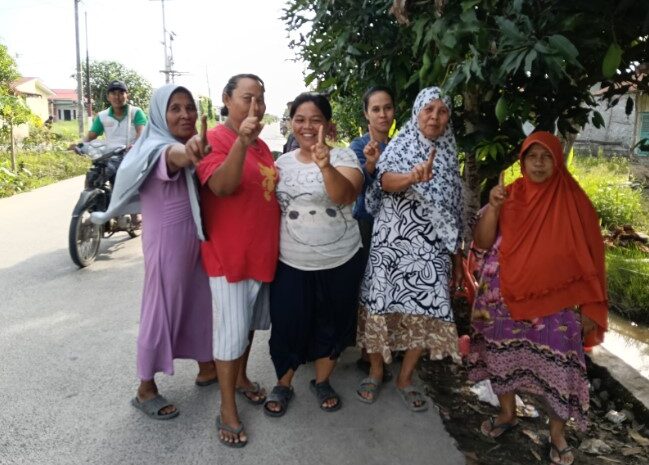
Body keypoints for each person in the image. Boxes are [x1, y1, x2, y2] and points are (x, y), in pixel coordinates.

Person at [467, 131, 608, 465]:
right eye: (533, 156)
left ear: (557, 161)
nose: (540, 164)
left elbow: (594, 257)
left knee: (558, 369)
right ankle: (507, 414)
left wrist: (590, 306)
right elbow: (483, 242)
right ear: (523, 161)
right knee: (502, 357)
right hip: (503, 301)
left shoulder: (575, 201)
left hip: (555, 308)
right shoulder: (508, 196)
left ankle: (557, 433)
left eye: (547, 157)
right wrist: (493, 209)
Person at [91, 84, 216, 419]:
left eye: (190, 107)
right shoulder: (157, 149)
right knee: (160, 309)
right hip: (167, 246)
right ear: (161, 113)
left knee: (197, 303)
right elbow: (172, 160)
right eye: (175, 108)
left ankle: (207, 366)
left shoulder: (171, 144)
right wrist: (189, 152)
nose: (185, 115)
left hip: (194, 240)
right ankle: (145, 388)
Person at [356, 86, 464, 411]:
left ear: (448, 119)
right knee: (378, 305)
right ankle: (376, 371)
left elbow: (453, 213)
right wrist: (412, 177)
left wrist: (457, 260)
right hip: (391, 246)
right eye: (428, 109)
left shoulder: (448, 156)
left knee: (425, 310)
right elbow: (383, 182)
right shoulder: (401, 143)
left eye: (441, 111)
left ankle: (404, 377)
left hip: (430, 252)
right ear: (417, 112)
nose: (434, 116)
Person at [263, 92, 364, 417]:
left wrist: (325, 166)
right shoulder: (280, 163)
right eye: (300, 119)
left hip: (340, 260)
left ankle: (322, 381)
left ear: (328, 125)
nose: (307, 127)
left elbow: (345, 196)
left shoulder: (345, 157)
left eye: (315, 119)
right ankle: (284, 382)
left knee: (332, 322)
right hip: (291, 261)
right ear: (291, 123)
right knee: (289, 322)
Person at [193, 73, 279, 448]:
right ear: (226, 100)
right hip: (230, 258)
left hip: (260, 254)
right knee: (230, 334)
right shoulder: (214, 140)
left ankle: (242, 379)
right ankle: (227, 409)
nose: (255, 107)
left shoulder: (260, 144)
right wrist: (241, 143)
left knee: (247, 328)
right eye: (247, 98)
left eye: (260, 99)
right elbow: (222, 187)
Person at [348, 86, 396, 381]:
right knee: (367, 288)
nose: (382, 114)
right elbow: (356, 185)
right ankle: (367, 352)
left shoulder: (401, 145)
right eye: (376, 109)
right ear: (366, 113)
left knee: (386, 289)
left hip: (394, 228)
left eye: (387, 108)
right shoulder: (358, 146)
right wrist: (370, 164)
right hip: (366, 224)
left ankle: (382, 346)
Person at [83, 80, 147, 147]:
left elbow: (142, 134)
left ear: (127, 96)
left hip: (133, 153)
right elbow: (91, 136)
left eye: (121, 93)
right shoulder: (102, 116)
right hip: (110, 154)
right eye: (113, 93)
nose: (117, 97)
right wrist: (79, 145)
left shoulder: (136, 112)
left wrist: (135, 147)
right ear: (108, 97)